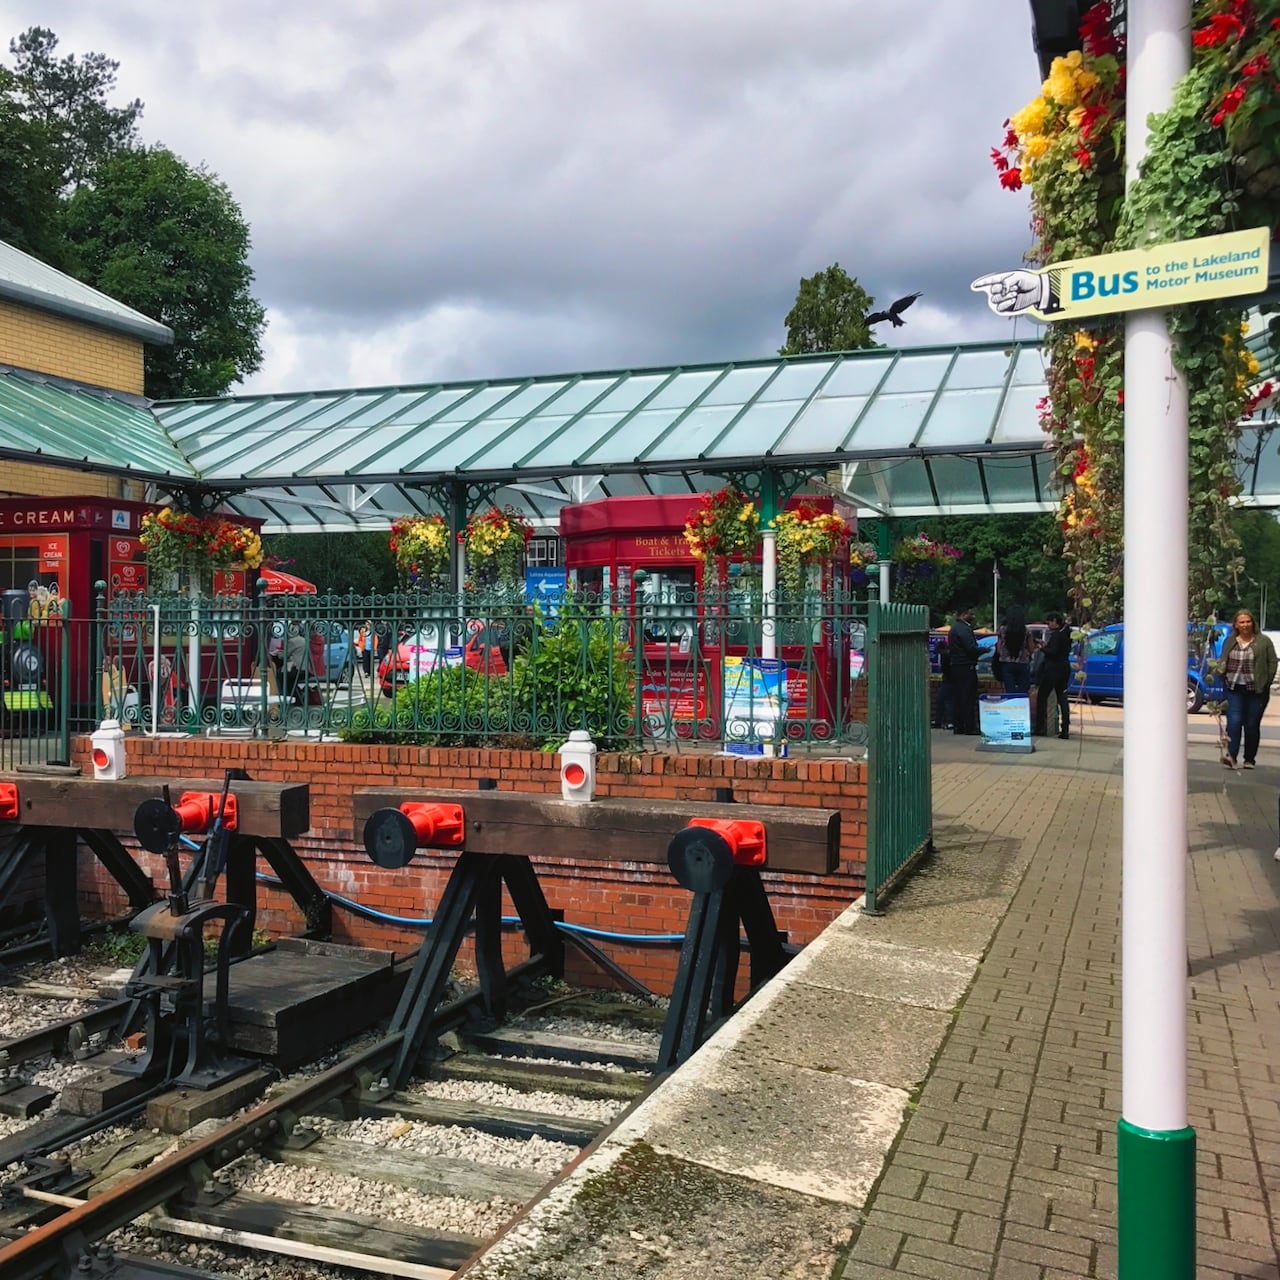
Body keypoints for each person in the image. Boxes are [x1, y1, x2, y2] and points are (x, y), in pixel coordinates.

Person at [1219, 609, 1277, 770]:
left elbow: (1273, 662)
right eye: (1241, 622)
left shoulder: (1263, 641)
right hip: (1234, 688)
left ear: (1253, 623)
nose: (1245, 625)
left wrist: (1266, 681)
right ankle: (1231, 756)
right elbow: (1223, 659)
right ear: (1236, 625)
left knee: (1251, 724)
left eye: (1248, 621)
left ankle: (1249, 758)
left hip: (1256, 690)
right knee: (1234, 722)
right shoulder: (1230, 641)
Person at [1034, 612, 1073, 739]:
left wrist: (1042, 648)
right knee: (1062, 698)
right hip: (1064, 668)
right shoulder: (1067, 634)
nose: (1048, 625)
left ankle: (1040, 727)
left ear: (1055, 621)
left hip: (1052, 669)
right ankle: (1065, 728)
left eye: (1049, 622)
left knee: (1042, 697)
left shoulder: (1056, 635)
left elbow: (1054, 652)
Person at [948, 606, 981, 735]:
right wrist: (984, 650)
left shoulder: (954, 628)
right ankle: (969, 726)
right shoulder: (964, 629)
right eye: (970, 614)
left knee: (958, 697)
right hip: (966, 666)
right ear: (963, 614)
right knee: (968, 697)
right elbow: (971, 648)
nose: (973, 616)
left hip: (956, 666)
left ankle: (958, 726)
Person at [996, 605, 1033, 694]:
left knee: (1010, 691)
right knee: (1023, 692)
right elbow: (1031, 648)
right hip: (1023, 662)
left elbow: (998, 649)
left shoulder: (1002, 629)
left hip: (1007, 663)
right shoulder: (1027, 631)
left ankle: (1012, 706)